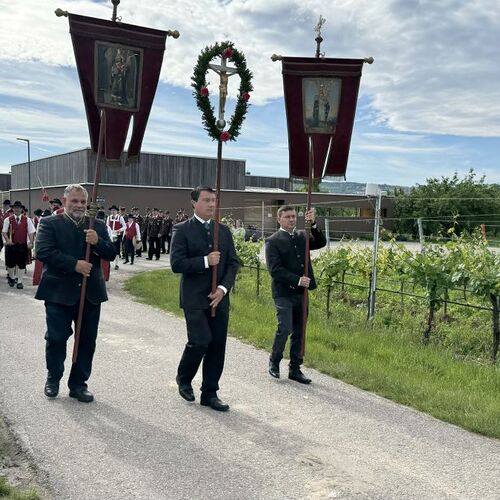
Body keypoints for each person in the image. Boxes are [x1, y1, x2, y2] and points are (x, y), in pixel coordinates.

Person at [35, 184, 116, 402]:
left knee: (87, 340)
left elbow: (112, 253)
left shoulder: (97, 225)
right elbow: (43, 251)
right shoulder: (49, 223)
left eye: (83, 202)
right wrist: (74, 265)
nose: (79, 205)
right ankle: (53, 377)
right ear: (64, 201)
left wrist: (97, 242)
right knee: (56, 338)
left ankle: (79, 384)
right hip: (58, 292)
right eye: (75, 201)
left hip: (90, 293)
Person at [170, 186, 239, 412]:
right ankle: (184, 377)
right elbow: (176, 264)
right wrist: (205, 261)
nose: (211, 204)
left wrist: (222, 288)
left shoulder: (224, 231)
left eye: (214, 200)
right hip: (194, 298)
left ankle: (210, 392)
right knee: (200, 341)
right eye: (207, 200)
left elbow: (232, 263)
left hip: (219, 298)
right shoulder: (182, 230)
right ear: (194, 202)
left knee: (217, 345)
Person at [265, 206, 326, 384]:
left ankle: (295, 368)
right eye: (287, 217)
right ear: (279, 219)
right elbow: (274, 270)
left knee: (300, 330)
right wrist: (297, 279)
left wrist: (313, 223)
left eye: (293, 216)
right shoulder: (273, 241)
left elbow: (321, 242)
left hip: (301, 294)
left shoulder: (302, 236)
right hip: (283, 292)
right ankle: (274, 361)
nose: (292, 219)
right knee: (285, 327)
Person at [2, 201, 35, 289]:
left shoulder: (27, 219)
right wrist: (7, 240)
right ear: (13, 209)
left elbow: (31, 232)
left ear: (21, 209)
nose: (17, 209)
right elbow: (4, 232)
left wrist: (31, 243)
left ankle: (20, 281)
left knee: (21, 264)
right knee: (10, 264)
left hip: (22, 245)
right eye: (15, 208)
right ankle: (12, 277)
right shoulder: (7, 219)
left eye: (19, 208)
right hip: (11, 245)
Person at [106, 205, 125, 270]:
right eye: (112, 210)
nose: (113, 211)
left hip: (117, 235)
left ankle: (116, 264)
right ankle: (109, 263)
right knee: (109, 249)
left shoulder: (120, 218)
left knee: (117, 250)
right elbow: (107, 226)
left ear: (117, 211)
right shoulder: (109, 217)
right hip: (111, 235)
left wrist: (119, 230)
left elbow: (124, 227)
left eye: (114, 210)